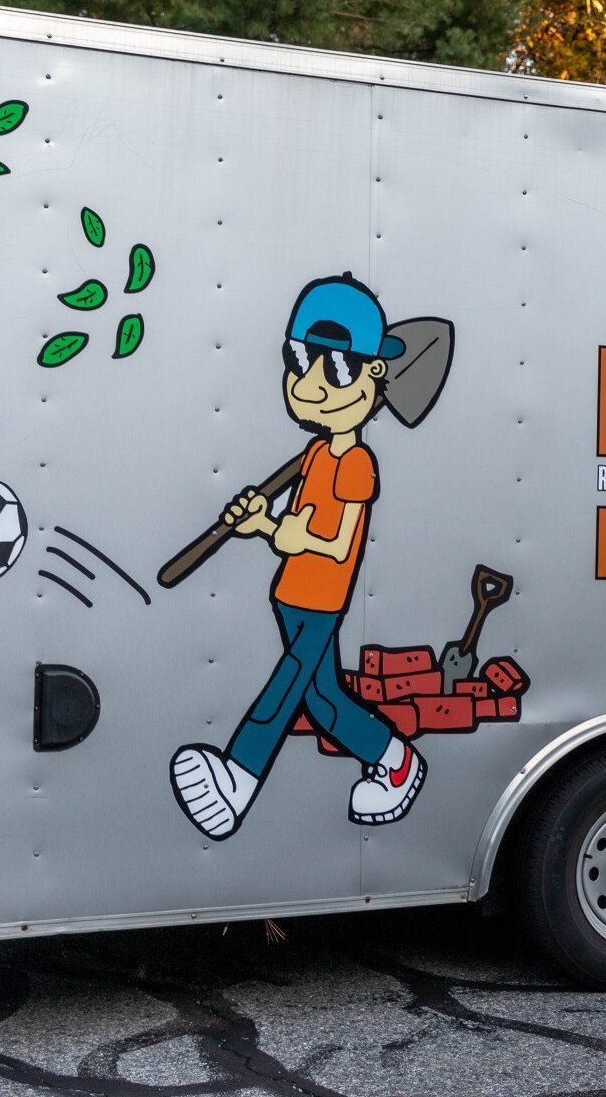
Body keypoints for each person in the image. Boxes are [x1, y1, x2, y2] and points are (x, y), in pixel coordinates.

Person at [169, 274, 426, 839]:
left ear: (371, 379)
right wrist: (260, 526)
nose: (307, 386)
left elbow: (337, 544)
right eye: (299, 363)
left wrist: (274, 529)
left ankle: (238, 778)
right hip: (291, 592)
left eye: (332, 371)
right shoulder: (313, 451)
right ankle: (395, 760)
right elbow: (297, 524)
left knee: (286, 687)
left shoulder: (358, 465)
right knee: (324, 700)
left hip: (320, 598)